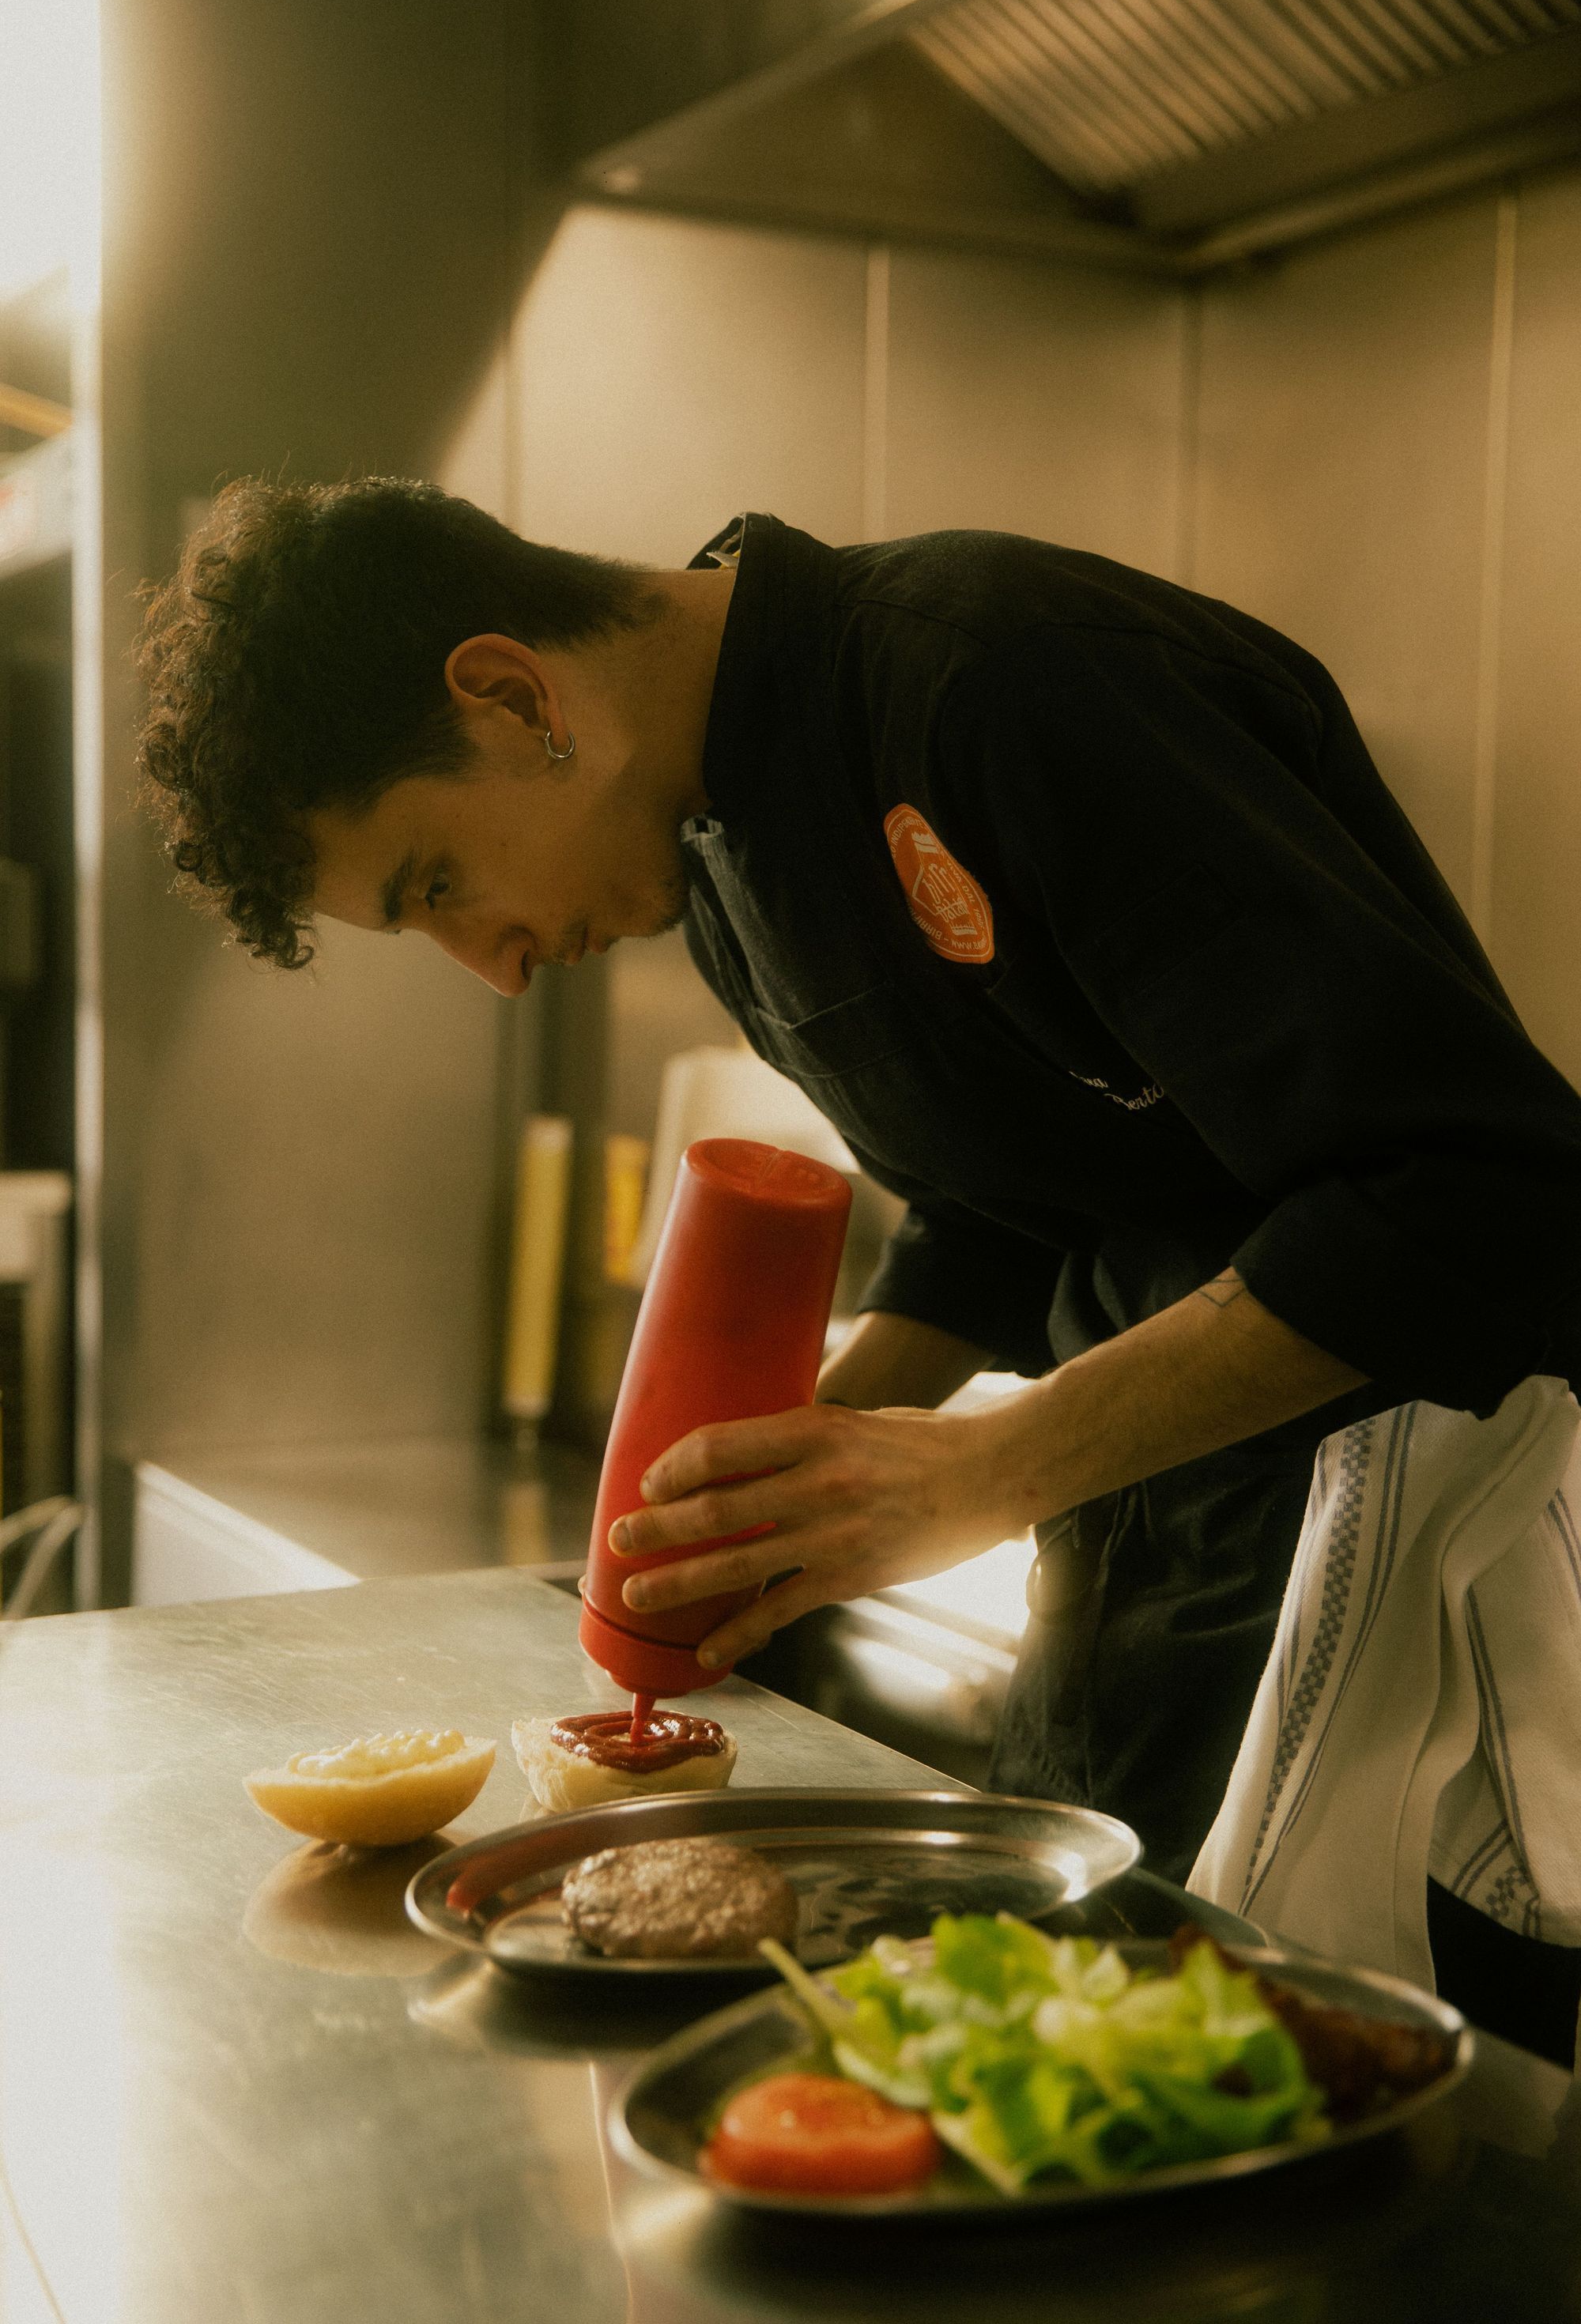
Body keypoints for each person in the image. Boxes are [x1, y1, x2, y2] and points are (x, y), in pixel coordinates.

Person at [139, 477, 1581, 2050]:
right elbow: (1006, 1196)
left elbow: (1475, 1188)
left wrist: (978, 1467)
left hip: (1424, 1576)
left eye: (436, 884)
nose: (488, 964)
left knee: (1389, 2168)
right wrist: (790, 1476)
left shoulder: (1002, 675)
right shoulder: (724, 868)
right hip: (1139, 1566)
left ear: (509, 694)